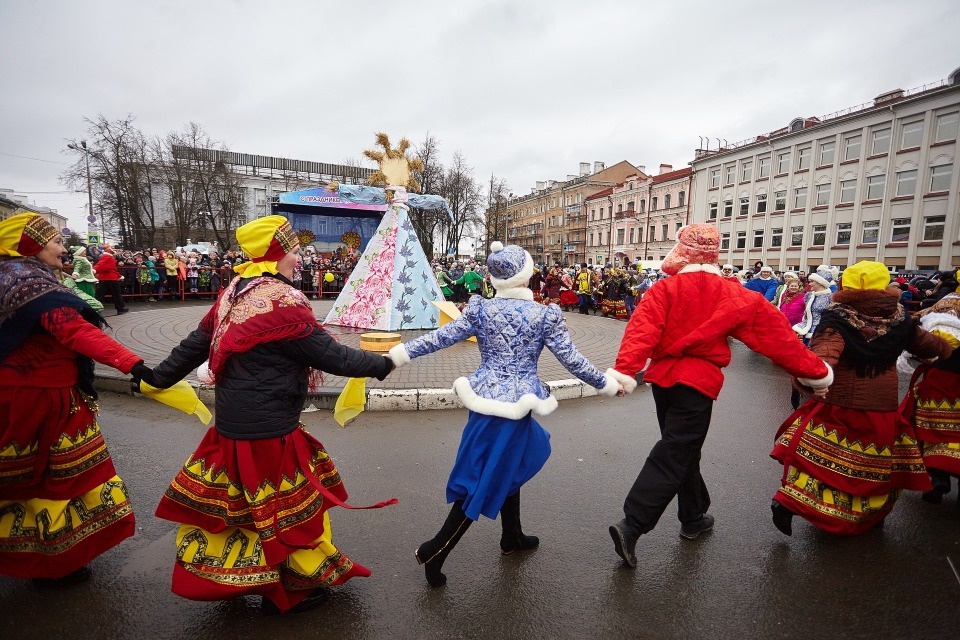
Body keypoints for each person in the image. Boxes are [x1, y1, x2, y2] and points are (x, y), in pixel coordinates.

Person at [136, 216, 396, 614]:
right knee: (286, 514)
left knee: (243, 511)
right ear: (276, 255)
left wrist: (158, 376)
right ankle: (291, 589)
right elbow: (329, 355)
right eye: (293, 250)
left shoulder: (235, 291)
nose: (299, 258)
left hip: (234, 424)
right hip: (269, 430)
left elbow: (196, 343)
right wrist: (383, 363)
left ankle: (247, 580)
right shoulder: (281, 301)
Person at [388, 241, 623, 587]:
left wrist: (398, 354)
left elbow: (440, 337)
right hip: (516, 407)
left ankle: (512, 535)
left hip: (484, 402)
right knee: (484, 480)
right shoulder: (544, 314)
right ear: (527, 275)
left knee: (506, 465)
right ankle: (436, 549)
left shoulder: (480, 310)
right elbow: (571, 360)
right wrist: (607, 383)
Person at [605, 224, 833, 568]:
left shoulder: (663, 289)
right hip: (696, 384)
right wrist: (816, 374)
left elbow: (641, 331)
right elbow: (778, 339)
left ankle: (694, 517)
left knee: (682, 449)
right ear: (715, 255)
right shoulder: (736, 295)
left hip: (663, 383)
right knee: (676, 451)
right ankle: (633, 525)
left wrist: (625, 370)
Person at [0, 213, 149, 585]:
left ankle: (40, 558)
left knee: (28, 482)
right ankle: (54, 564)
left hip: (22, 393)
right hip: (42, 398)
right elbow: (73, 330)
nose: (63, 249)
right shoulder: (27, 281)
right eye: (55, 243)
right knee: (60, 481)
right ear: (32, 246)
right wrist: (132, 363)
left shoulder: (10, 276)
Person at [770, 261, 952, 536]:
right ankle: (868, 518)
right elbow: (929, 345)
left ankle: (791, 503)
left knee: (820, 461)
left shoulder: (838, 317)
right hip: (882, 405)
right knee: (875, 468)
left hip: (840, 401)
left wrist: (809, 379)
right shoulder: (901, 317)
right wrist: (945, 350)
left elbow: (823, 357)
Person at [899, 293, 960, 503]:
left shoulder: (949, 301)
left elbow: (917, 325)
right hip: (945, 375)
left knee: (934, 428)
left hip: (943, 375)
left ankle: (938, 478)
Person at [94, 244, 128, 314]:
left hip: (105, 278)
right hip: (110, 278)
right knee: (116, 294)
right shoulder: (108, 257)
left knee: (100, 294)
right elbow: (101, 265)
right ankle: (120, 308)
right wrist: (94, 270)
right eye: (112, 248)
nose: (114, 249)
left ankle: (93, 307)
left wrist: (118, 276)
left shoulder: (108, 257)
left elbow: (111, 269)